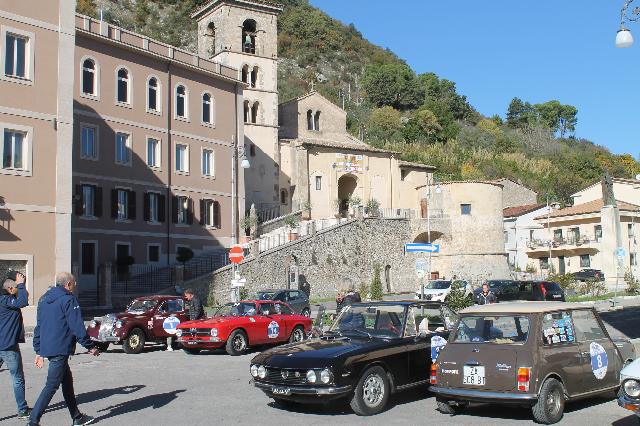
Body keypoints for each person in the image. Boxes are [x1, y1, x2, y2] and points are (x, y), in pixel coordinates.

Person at [29, 272, 99, 426]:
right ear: (68, 284)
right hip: (60, 349)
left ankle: (77, 417)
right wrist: (90, 346)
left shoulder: (44, 299)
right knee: (52, 385)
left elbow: (39, 326)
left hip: (51, 347)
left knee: (67, 382)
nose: (75, 286)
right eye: (74, 283)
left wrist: (38, 349)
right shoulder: (68, 299)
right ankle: (33, 421)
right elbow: (77, 326)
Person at [0, 272, 30, 419]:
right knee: (17, 378)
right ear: (11, 289)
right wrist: (20, 284)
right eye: (17, 288)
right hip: (7, 346)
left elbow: (24, 297)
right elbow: (23, 301)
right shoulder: (6, 301)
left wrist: (21, 286)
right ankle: (22, 410)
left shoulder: (5, 300)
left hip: (4, 344)